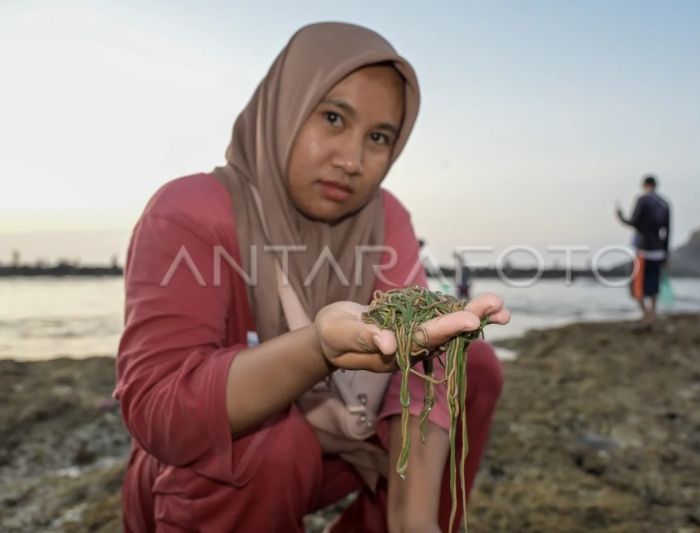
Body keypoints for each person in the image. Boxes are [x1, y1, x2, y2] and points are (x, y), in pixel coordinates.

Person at [113, 22, 511, 533]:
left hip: (338, 444)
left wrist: (414, 521)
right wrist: (315, 349)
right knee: (272, 442)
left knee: (470, 362)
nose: (351, 160)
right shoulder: (190, 212)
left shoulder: (385, 219)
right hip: (198, 476)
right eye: (332, 117)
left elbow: (421, 357)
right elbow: (158, 412)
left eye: (378, 137)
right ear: (285, 106)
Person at [615, 174, 671, 329]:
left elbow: (634, 222)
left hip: (643, 250)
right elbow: (667, 230)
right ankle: (652, 315)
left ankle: (646, 316)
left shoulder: (643, 200)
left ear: (644, 185)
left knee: (636, 287)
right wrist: (666, 253)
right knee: (653, 286)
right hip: (658, 250)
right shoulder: (665, 204)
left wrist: (620, 217)